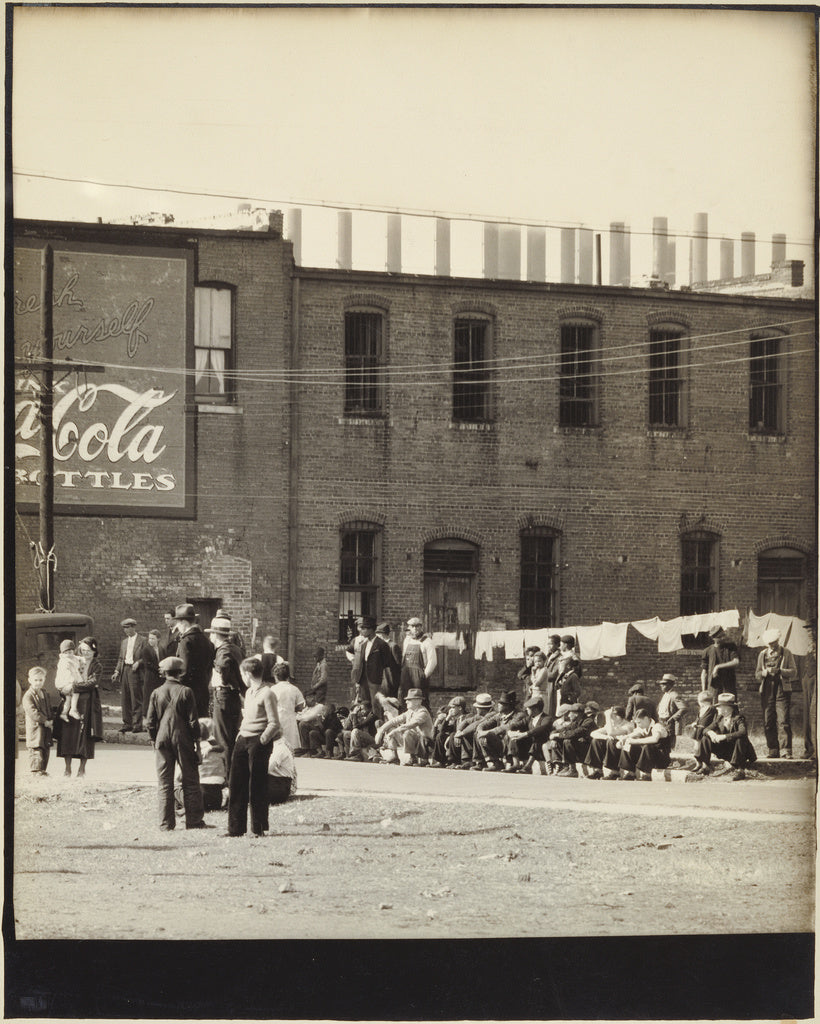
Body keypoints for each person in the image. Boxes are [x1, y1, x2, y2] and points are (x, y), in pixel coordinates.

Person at [145, 657, 207, 831]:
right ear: (180, 672)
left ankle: (165, 824)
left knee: (164, 782)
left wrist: (153, 740)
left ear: (164, 673)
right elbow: (194, 722)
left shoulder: (156, 692)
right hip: (183, 739)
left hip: (162, 739)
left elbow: (150, 722)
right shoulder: (186, 691)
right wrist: (198, 746)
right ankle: (194, 822)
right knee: (191, 780)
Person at [226, 656, 282, 837]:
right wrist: (240, 734)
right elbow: (247, 717)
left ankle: (258, 828)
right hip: (243, 739)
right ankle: (235, 829)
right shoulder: (249, 692)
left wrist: (262, 740)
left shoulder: (268, 693)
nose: (242, 677)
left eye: (243, 673)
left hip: (258, 741)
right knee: (236, 784)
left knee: (256, 785)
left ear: (248, 674)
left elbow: (274, 723)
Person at [57, 636, 104, 778]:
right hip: (70, 700)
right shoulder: (72, 660)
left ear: (94, 651)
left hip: (87, 703)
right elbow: (62, 677)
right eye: (83, 650)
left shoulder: (97, 666)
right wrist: (62, 689)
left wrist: (74, 686)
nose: (86, 653)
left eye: (89, 650)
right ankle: (67, 768)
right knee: (68, 735)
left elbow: (92, 682)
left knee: (85, 737)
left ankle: (82, 769)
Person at [206, 615, 246, 773]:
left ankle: (227, 776)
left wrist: (224, 680)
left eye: (211, 633)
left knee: (222, 738)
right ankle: (233, 775)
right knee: (231, 736)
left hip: (223, 694)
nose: (210, 636)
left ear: (215, 634)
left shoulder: (223, 650)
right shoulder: (236, 648)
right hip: (233, 696)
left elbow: (222, 667)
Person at [755, 628, 798, 758]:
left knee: (783, 720)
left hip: (782, 689)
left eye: (774, 643)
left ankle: (786, 750)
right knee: (768, 720)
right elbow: (757, 674)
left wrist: (780, 671)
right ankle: (773, 749)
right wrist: (764, 673)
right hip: (767, 690)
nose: (772, 646)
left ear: (778, 641)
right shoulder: (762, 654)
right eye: (769, 644)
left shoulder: (786, 653)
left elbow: (794, 672)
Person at [699, 692, 758, 780]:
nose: (717, 708)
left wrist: (724, 736)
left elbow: (743, 732)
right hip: (725, 749)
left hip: (738, 750)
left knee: (740, 739)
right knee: (705, 738)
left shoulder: (738, 718)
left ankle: (740, 771)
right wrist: (711, 733)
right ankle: (705, 767)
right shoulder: (719, 718)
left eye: (719, 706)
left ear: (727, 708)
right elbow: (705, 729)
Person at [112, 617, 153, 733]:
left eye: (128, 628)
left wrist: (139, 663)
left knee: (136, 698)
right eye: (124, 628)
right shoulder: (124, 642)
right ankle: (127, 723)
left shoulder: (143, 640)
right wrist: (117, 671)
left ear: (134, 627)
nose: (126, 631)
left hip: (136, 672)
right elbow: (121, 658)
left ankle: (137, 725)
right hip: (125, 670)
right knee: (125, 698)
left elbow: (147, 656)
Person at [175, 717, 226, 812]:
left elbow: (179, 777)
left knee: (176, 787)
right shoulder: (216, 749)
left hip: (198, 797)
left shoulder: (192, 750)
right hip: (216, 800)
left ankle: (180, 806)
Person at [349, 616, 398, 712]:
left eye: (364, 628)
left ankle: (377, 725)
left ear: (371, 630)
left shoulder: (382, 644)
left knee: (376, 705)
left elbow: (387, 663)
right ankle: (366, 725)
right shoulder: (363, 644)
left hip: (375, 680)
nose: (361, 631)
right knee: (365, 705)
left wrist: (380, 676)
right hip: (363, 679)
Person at [174, 603, 215, 719]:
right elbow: (209, 668)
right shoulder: (207, 641)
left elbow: (184, 670)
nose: (177, 626)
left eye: (178, 623)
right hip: (203, 690)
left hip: (187, 693)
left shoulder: (186, 642)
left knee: (187, 728)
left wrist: (176, 690)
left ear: (184, 623)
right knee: (202, 726)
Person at [608, 707, 670, 780]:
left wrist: (634, 741)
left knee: (647, 746)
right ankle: (631, 773)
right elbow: (633, 734)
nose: (638, 725)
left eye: (639, 722)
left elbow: (654, 739)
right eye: (637, 723)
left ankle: (647, 774)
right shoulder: (642, 728)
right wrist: (623, 740)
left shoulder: (657, 726)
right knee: (629, 744)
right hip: (651, 757)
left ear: (646, 719)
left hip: (661, 757)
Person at [375, 688, 434, 765]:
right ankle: (394, 756)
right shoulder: (410, 712)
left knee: (407, 732)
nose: (406, 702)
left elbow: (410, 725)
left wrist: (395, 731)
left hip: (424, 743)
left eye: (409, 700)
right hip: (413, 741)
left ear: (418, 701)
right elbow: (394, 721)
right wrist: (381, 730)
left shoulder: (423, 712)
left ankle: (414, 758)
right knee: (390, 727)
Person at [475, 690, 527, 772]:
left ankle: (514, 764)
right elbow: (484, 724)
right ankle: (494, 763)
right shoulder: (500, 715)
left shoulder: (519, 715)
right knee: (480, 736)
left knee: (509, 734)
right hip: (503, 744)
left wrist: (488, 732)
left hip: (519, 745)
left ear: (508, 706)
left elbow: (506, 727)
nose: (498, 705)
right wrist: (480, 730)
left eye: (501, 704)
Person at [506, 694, 553, 773]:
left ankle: (528, 766)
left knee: (538, 740)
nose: (526, 710)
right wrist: (510, 731)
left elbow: (540, 729)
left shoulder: (546, 718)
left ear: (535, 709)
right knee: (514, 739)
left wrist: (524, 734)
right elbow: (514, 725)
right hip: (529, 746)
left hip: (540, 747)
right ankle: (516, 764)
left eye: (528, 709)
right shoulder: (529, 719)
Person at [584, 704, 632, 779]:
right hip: (613, 749)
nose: (612, 718)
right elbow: (593, 733)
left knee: (611, 741)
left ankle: (615, 772)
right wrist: (605, 737)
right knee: (596, 741)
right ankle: (598, 771)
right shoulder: (611, 725)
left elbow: (611, 733)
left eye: (614, 715)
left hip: (625, 750)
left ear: (619, 716)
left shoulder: (628, 725)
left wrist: (608, 718)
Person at [400, 617, 437, 708]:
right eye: (413, 626)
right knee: (405, 699)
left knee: (421, 700)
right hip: (406, 674)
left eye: (418, 626)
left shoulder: (427, 641)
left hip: (419, 675)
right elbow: (403, 656)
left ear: (421, 627)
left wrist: (424, 675)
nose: (415, 629)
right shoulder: (407, 640)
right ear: (409, 627)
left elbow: (432, 661)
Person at [22, 667, 53, 775]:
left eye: (41, 680)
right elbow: (33, 712)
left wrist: (51, 719)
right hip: (36, 728)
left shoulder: (44, 693)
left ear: (44, 679)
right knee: (36, 749)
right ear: (30, 680)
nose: (38, 683)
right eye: (35, 680)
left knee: (45, 747)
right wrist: (45, 721)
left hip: (46, 727)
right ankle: (36, 771)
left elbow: (48, 708)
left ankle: (43, 770)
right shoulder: (28, 696)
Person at [453, 693, 495, 770]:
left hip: (492, 739)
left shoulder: (491, 714)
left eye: (477, 707)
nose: (476, 709)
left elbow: (476, 724)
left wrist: (461, 733)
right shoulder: (478, 716)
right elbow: (466, 722)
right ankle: (468, 760)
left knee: (474, 734)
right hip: (483, 739)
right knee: (467, 734)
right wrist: (458, 731)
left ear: (482, 708)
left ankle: (481, 762)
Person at [272, 662, 306, 751]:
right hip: (290, 719)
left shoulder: (273, 689)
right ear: (287, 676)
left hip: (276, 719)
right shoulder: (294, 689)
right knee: (290, 747)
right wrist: (292, 708)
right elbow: (301, 705)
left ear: (275, 676)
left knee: (276, 747)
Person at [701, 625, 740, 698]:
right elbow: (704, 672)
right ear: (713, 638)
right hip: (714, 687)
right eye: (720, 637)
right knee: (714, 707)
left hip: (728, 686)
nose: (723, 638)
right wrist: (704, 690)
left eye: (723, 635)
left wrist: (718, 667)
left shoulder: (731, 647)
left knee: (729, 707)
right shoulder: (707, 651)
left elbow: (736, 662)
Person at [686, 690, 719, 773]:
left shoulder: (712, 708)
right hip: (697, 730)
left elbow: (713, 721)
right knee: (696, 747)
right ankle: (698, 763)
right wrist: (694, 723)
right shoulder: (701, 709)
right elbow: (698, 719)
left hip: (704, 730)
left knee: (703, 748)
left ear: (701, 702)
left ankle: (705, 764)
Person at [429, 696, 466, 767]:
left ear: (460, 708)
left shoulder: (467, 716)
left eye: (453, 708)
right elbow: (442, 730)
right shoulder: (453, 718)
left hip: (462, 740)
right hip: (454, 741)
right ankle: (440, 761)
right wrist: (447, 718)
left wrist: (452, 736)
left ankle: (455, 762)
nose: (450, 710)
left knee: (452, 735)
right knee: (440, 736)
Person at [54, 639, 83, 723]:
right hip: (64, 682)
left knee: (69, 699)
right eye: (65, 653)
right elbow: (66, 674)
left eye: (70, 652)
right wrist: (73, 681)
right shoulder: (64, 661)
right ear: (62, 654)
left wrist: (82, 659)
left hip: (68, 683)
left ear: (73, 651)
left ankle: (64, 713)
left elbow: (78, 658)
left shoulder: (73, 658)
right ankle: (73, 709)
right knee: (76, 690)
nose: (68, 655)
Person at [657, 673, 687, 750]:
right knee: (661, 742)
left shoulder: (674, 695)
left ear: (670, 685)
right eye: (661, 684)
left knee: (668, 744)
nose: (662, 686)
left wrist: (672, 718)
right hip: (661, 721)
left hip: (669, 723)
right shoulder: (665, 695)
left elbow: (683, 708)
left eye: (664, 684)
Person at [801, 619, 817, 760]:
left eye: (813, 629)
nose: (810, 632)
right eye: (808, 630)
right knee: (807, 713)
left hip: (816, 679)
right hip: (807, 679)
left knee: (814, 714)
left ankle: (816, 750)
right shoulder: (808, 644)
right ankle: (809, 748)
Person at [375, 623, 402, 698]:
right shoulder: (379, 646)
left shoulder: (393, 646)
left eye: (377, 634)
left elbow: (399, 664)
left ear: (382, 634)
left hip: (390, 679)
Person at [268, 738, 297, 804]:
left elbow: (267, 768)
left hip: (280, 785)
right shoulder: (275, 745)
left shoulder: (279, 747)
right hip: (275, 780)